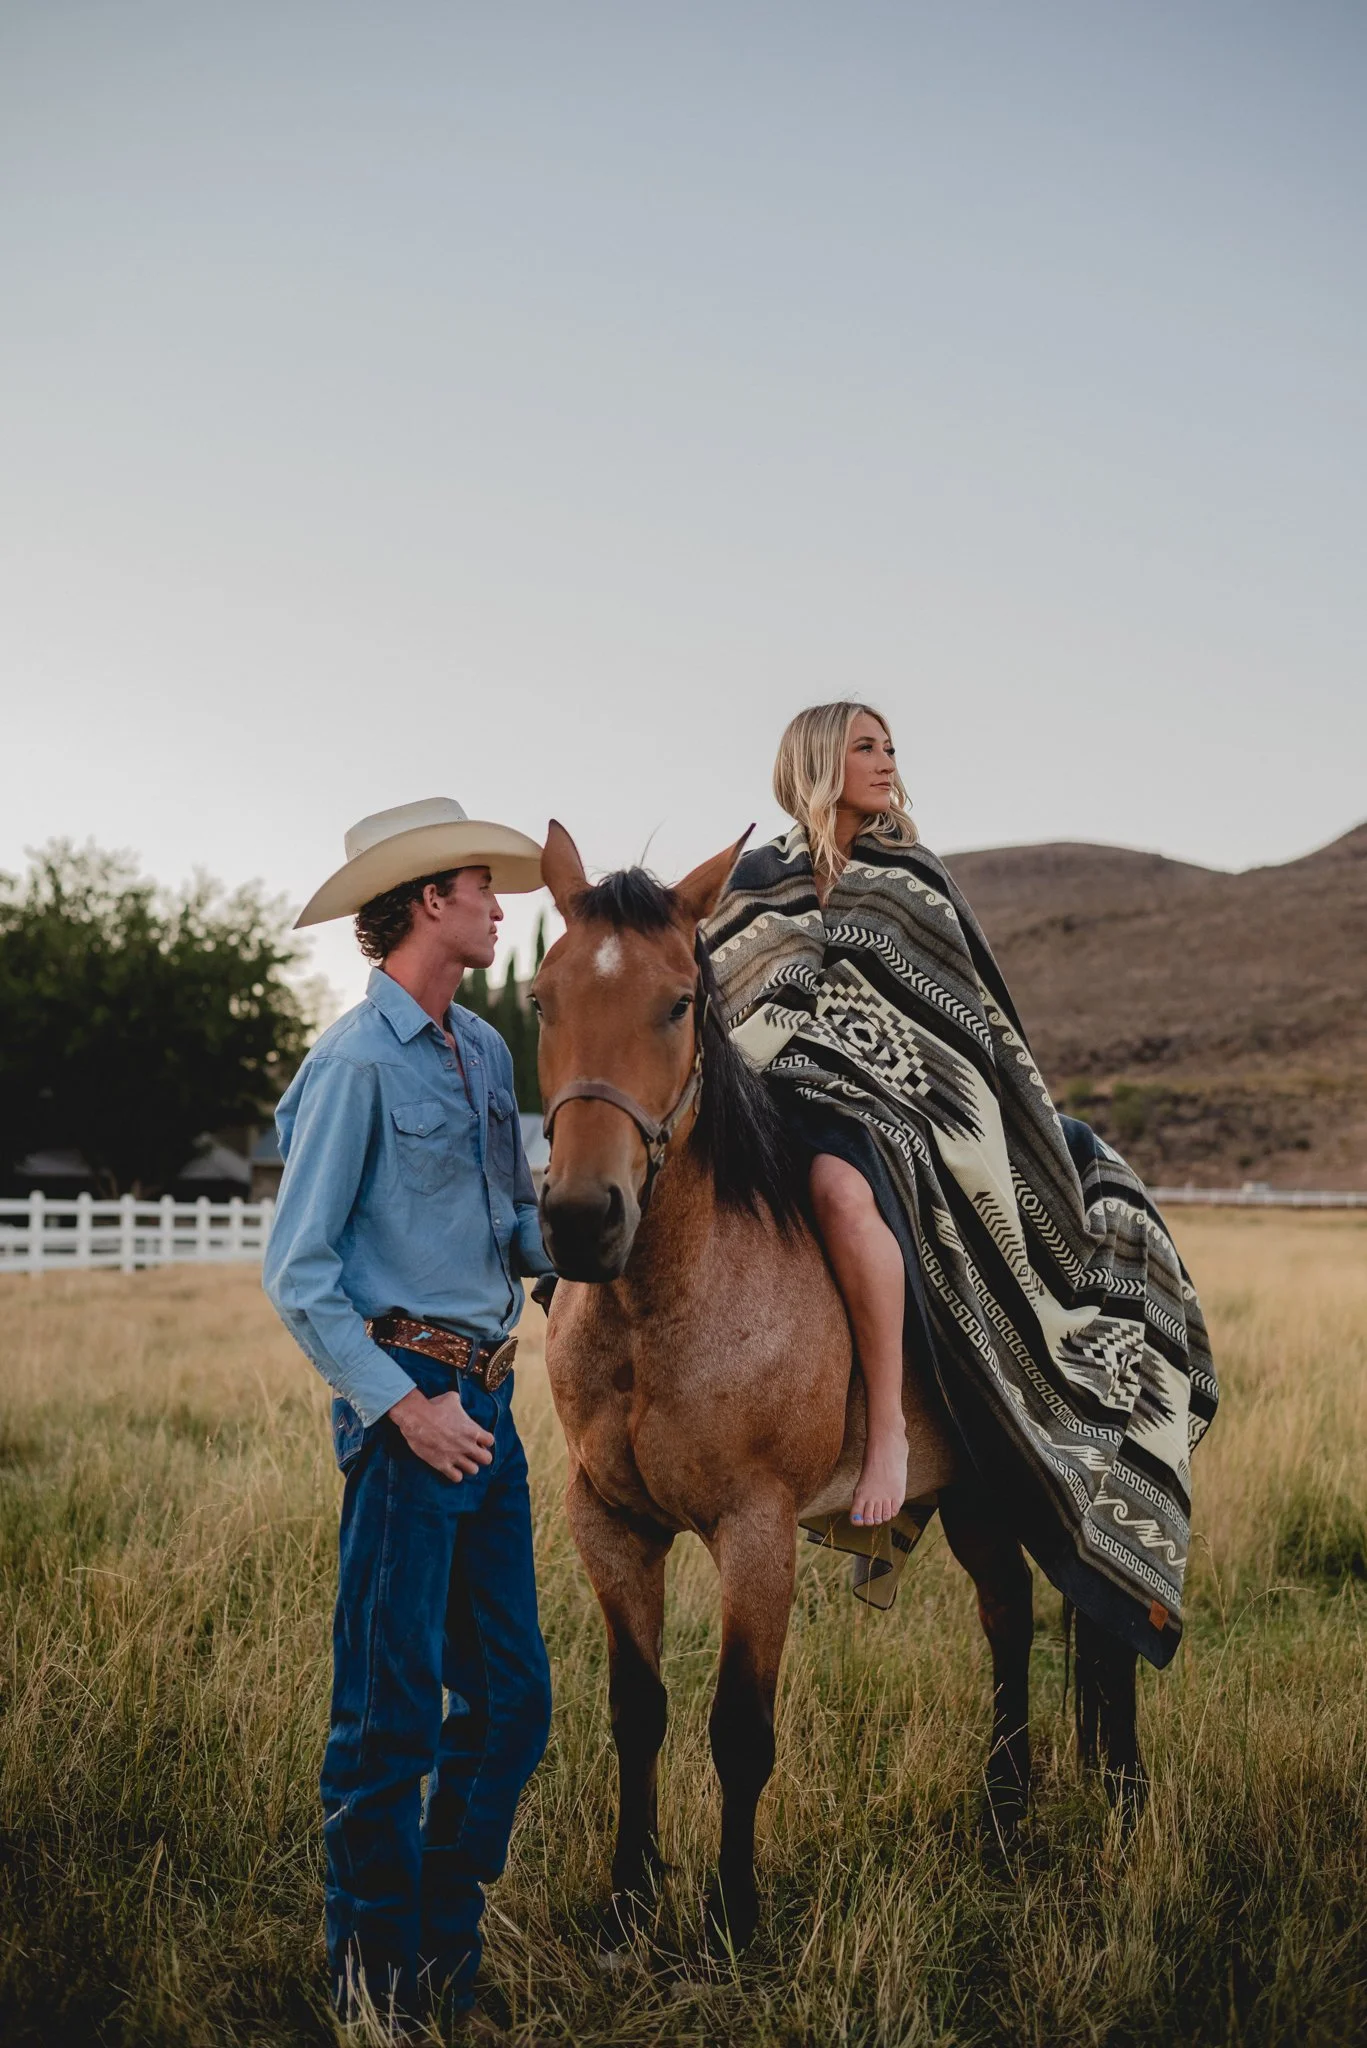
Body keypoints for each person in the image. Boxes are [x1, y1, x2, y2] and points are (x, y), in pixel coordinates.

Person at [703, 702, 1216, 1670]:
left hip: (890, 1117)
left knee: (849, 1196)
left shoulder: (913, 879)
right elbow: (731, 1009)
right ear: (815, 760)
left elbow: (964, 1026)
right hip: (773, 1109)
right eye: (864, 746)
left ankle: (889, 1431)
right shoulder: (754, 879)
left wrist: (885, 1078)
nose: (885, 761)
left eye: (890, 746)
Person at [263, 795, 555, 2029]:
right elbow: (299, 1269)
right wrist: (399, 1410)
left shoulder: (482, 1052)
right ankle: (372, 1976)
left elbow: (512, 1225)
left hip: (490, 1407)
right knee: (388, 1719)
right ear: (431, 898)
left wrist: (596, 1228)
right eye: (485, 886)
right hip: (410, 1418)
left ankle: (441, 1939)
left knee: (511, 1704)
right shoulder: (351, 1061)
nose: (501, 906)